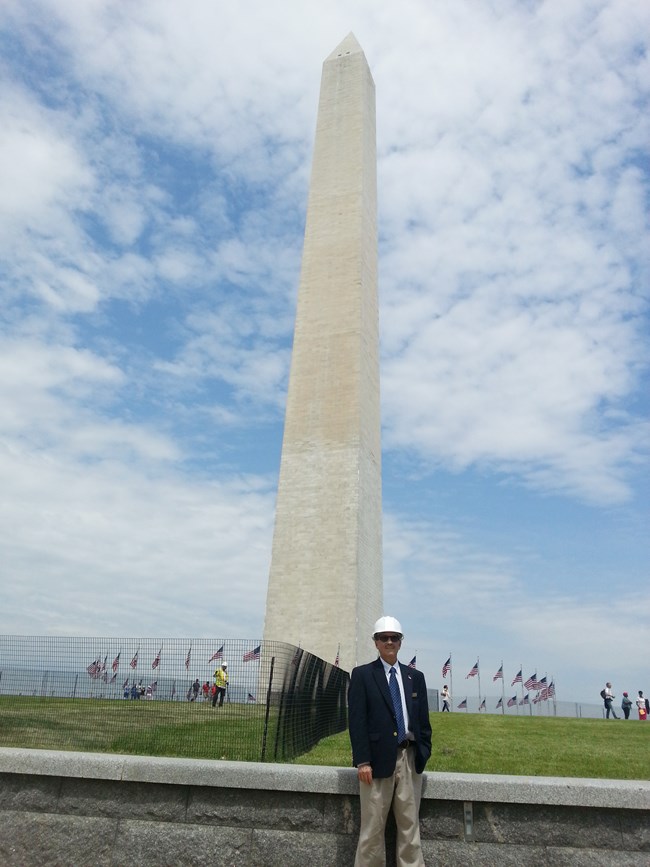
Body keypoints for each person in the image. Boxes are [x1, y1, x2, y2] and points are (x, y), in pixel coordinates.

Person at [348, 616, 432, 867]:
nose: (389, 642)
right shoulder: (363, 675)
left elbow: (423, 721)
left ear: (400, 642)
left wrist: (423, 753)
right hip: (375, 762)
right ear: (375, 642)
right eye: (383, 638)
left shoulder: (414, 677)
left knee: (410, 828)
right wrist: (362, 760)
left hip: (408, 759)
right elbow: (357, 721)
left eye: (394, 638)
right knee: (372, 829)